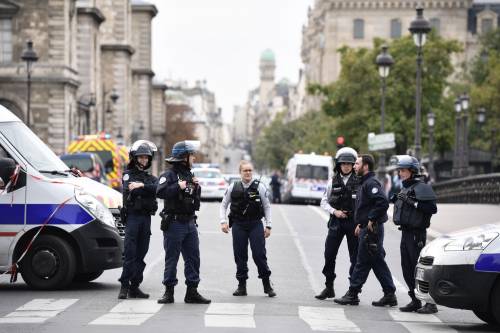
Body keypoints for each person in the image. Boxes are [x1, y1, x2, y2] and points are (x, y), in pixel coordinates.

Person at [334, 154, 397, 307]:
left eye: (357, 163)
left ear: (366, 166)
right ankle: (390, 293)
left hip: (372, 229)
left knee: (361, 261)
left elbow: (382, 202)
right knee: (376, 261)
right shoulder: (364, 182)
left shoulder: (371, 183)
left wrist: (371, 219)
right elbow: (366, 206)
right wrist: (361, 224)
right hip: (366, 227)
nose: (354, 166)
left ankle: (353, 293)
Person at [156, 140, 211, 304]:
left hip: (190, 223)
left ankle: (192, 292)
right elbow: (160, 192)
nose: (194, 158)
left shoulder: (190, 175)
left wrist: (196, 187)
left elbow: (193, 199)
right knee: (171, 259)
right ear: (183, 157)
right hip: (174, 223)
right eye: (191, 155)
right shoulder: (169, 175)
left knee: (193, 258)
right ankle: (169, 292)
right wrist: (177, 187)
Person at [220, 160, 276, 297]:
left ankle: (267, 284)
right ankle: (241, 286)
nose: (248, 173)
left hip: (255, 224)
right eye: (245, 170)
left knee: (259, 255)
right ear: (240, 172)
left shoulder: (260, 187)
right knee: (240, 256)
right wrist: (223, 222)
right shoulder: (233, 186)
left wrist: (268, 225)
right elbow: (223, 205)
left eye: (250, 170)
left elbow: (267, 207)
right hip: (238, 225)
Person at [392, 155, 438, 314]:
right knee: (406, 268)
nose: (400, 173)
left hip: (416, 234)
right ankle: (415, 300)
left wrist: (413, 202)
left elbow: (432, 209)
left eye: (403, 170)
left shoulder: (422, 187)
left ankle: (430, 303)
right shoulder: (405, 187)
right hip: (405, 233)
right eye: (400, 170)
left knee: (419, 269)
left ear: (412, 171)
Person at [315, 147, 359, 300]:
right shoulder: (332, 181)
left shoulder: (359, 181)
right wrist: (335, 212)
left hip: (354, 223)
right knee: (329, 254)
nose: (346, 166)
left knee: (354, 257)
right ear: (338, 165)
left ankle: (353, 291)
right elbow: (323, 201)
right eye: (343, 163)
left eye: (349, 163)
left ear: (353, 165)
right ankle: (329, 287)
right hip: (336, 222)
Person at [118, 140, 159, 299]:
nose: (143, 160)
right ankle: (124, 286)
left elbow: (157, 189)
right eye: (141, 157)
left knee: (141, 253)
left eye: (146, 158)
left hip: (145, 218)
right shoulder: (128, 174)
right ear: (135, 158)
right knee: (130, 253)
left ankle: (135, 287)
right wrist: (143, 188)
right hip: (133, 218)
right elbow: (130, 189)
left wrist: (141, 186)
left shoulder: (150, 178)